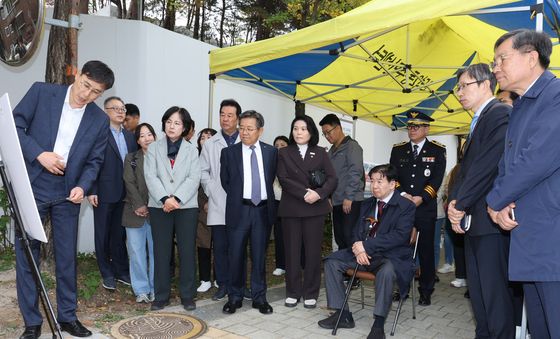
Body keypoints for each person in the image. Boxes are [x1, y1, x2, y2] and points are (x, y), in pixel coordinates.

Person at [13, 60, 114, 339]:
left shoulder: (99, 120)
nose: (86, 95)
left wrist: (83, 185)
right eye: (85, 85)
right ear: (77, 74)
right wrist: (39, 154)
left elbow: (95, 161)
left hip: (68, 193)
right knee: (27, 255)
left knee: (67, 257)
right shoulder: (42, 92)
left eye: (95, 92)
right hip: (32, 184)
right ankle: (32, 323)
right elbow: (14, 126)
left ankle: (67, 317)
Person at [486, 29, 560, 339]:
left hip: (552, 238)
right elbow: (508, 164)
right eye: (494, 61)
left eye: (502, 58)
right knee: (541, 328)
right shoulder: (522, 104)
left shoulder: (555, 96)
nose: (495, 68)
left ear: (532, 58)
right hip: (529, 237)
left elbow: (537, 159)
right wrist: (500, 204)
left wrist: (494, 201)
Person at [447, 63, 514, 339]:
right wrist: (453, 203)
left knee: (494, 293)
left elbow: (486, 167)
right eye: (458, 87)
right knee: (478, 293)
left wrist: (459, 204)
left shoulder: (500, 114)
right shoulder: (477, 121)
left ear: (485, 84)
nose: (459, 93)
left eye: (465, 86)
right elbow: (463, 170)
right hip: (473, 221)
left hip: (489, 221)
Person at [318, 164, 415, 339]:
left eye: (380, 181)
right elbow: (354, 231)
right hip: (362, 255)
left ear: (392, 184)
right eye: (372, 181)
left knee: (386, 272)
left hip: (390, 256)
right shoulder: (367, 203)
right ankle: (343, 314)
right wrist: (358, 247)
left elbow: (400, 236)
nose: (375, 186)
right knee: (331, 262)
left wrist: (367, 246)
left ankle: (378, 324)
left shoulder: (405, 206)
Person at [220, 110, 277, 315]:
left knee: (260, 256)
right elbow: (226, 182)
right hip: (239, 210)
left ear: (260, 130)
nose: (244, 132)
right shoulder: (229, 153)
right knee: (235, 255)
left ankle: (259, 297)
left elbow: (270, 180)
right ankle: (234, 297)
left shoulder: (271, 152)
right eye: (241, 128)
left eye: (249, 129)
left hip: (262, 211)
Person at [277, 115, 337, 309]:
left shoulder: (320, 152)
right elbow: (283, 179)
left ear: (311, 132)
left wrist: (318, 194)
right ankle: (293, 292)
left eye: (303, 129)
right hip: (292, 208)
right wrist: (305, 193)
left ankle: (311, 292)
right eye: (295, 128)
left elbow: (332, 178)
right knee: (292, 252)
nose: (299, 132)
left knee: (312, 252)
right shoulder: (284, 152)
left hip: (315, 209)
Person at [144, 106, 201, 312]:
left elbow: (194, 178)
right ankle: (161, 296)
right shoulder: (153, 148)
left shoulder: (192, 150)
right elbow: (150, 176)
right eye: (169, 121)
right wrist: (165, 199)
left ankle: (187, 295)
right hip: (159, 206)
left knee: (186, 251)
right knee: (161, 251)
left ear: (184, 127)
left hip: (186, 206)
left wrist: (176, 198)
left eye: (177, 123)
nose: (172, 126)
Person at [389, 111, 446, 306]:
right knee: (400, 248)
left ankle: (426, 290)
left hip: (424, 208)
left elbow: (437, 178)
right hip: (403, 208)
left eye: (417, 126)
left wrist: (422, 197)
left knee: (425, 251)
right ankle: (401, 287)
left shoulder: (437, 150)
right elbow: (393, 176)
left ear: (426, 129)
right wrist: (404, 196)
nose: (412, 129)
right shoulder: (398, 150)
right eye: (410, 126)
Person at [200, 99, 249, 301]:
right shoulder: (211, 143)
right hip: (218, 202)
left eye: (230, 115)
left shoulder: (246, 141)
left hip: (242, 203)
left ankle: (240, 285)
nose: (225, 118)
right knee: (220, 247)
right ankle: (223, 284)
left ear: (237, 118)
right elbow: (202, 171)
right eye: (222, 114)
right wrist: (212, 190)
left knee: (240, 246)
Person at [88, 96, 137, 290]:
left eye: (123, 109)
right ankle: (106, 272)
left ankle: (121, 271)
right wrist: (91, 189)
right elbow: (91, 162)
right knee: (102, 234)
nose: (120, 111)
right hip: (103, 192)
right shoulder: (98, 134)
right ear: (105, 111)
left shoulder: (129, 136)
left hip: (125, 194)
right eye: (115, 108)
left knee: (119, 234)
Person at [319, 114, 364, 251]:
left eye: (328, 132)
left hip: (351, 201)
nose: (327, 136)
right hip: (337, 201)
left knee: (349, 236)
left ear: (338, 127)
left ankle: (353, 270)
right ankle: (344, 270)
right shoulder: (331, 151)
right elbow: (329, 176)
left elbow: (355, 173)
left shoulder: (352, 146)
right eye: (324, 134)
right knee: (339, 237)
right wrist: (328, 197)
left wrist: (349, 197)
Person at [122, 123, 156, 303]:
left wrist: (152, 204)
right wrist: (140, 205)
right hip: (133, 211)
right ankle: (141, 289)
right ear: (137, 140)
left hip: (158, 212)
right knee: (136, 252)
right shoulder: (131, 158)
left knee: (158, 252)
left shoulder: (163, 157)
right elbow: (128, 182)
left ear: (155, 137)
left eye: (149, 134)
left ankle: (156, 288)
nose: (146, 138)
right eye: (142, 136)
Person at [195, 127, 217, 292]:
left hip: (220, 206)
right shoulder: (193, 158)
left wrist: (214, 201)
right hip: (200, 208)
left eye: (210, 137)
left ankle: (218, 276)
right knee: (203, 243)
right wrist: (203, 202)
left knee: (220, 243)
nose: (206, 140)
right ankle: (204, 279)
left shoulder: (221, 156)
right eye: (203, 137)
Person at [271, 135, 289, 276]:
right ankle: (281, 265)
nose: (279, 147)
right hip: (276, 201)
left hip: (291, 202)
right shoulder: (271, 162)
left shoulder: (293, 162)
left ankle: (295, 262)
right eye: (276, 145)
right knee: (279, 234)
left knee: (293, 234)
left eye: (282, 145)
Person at [435, 172, 453, 276]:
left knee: (435, 244)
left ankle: (433, 271)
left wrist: (424, 201)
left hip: (437, 212)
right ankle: (418, 269)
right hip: (419, 210)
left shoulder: (442, 171)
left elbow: (443, 189)